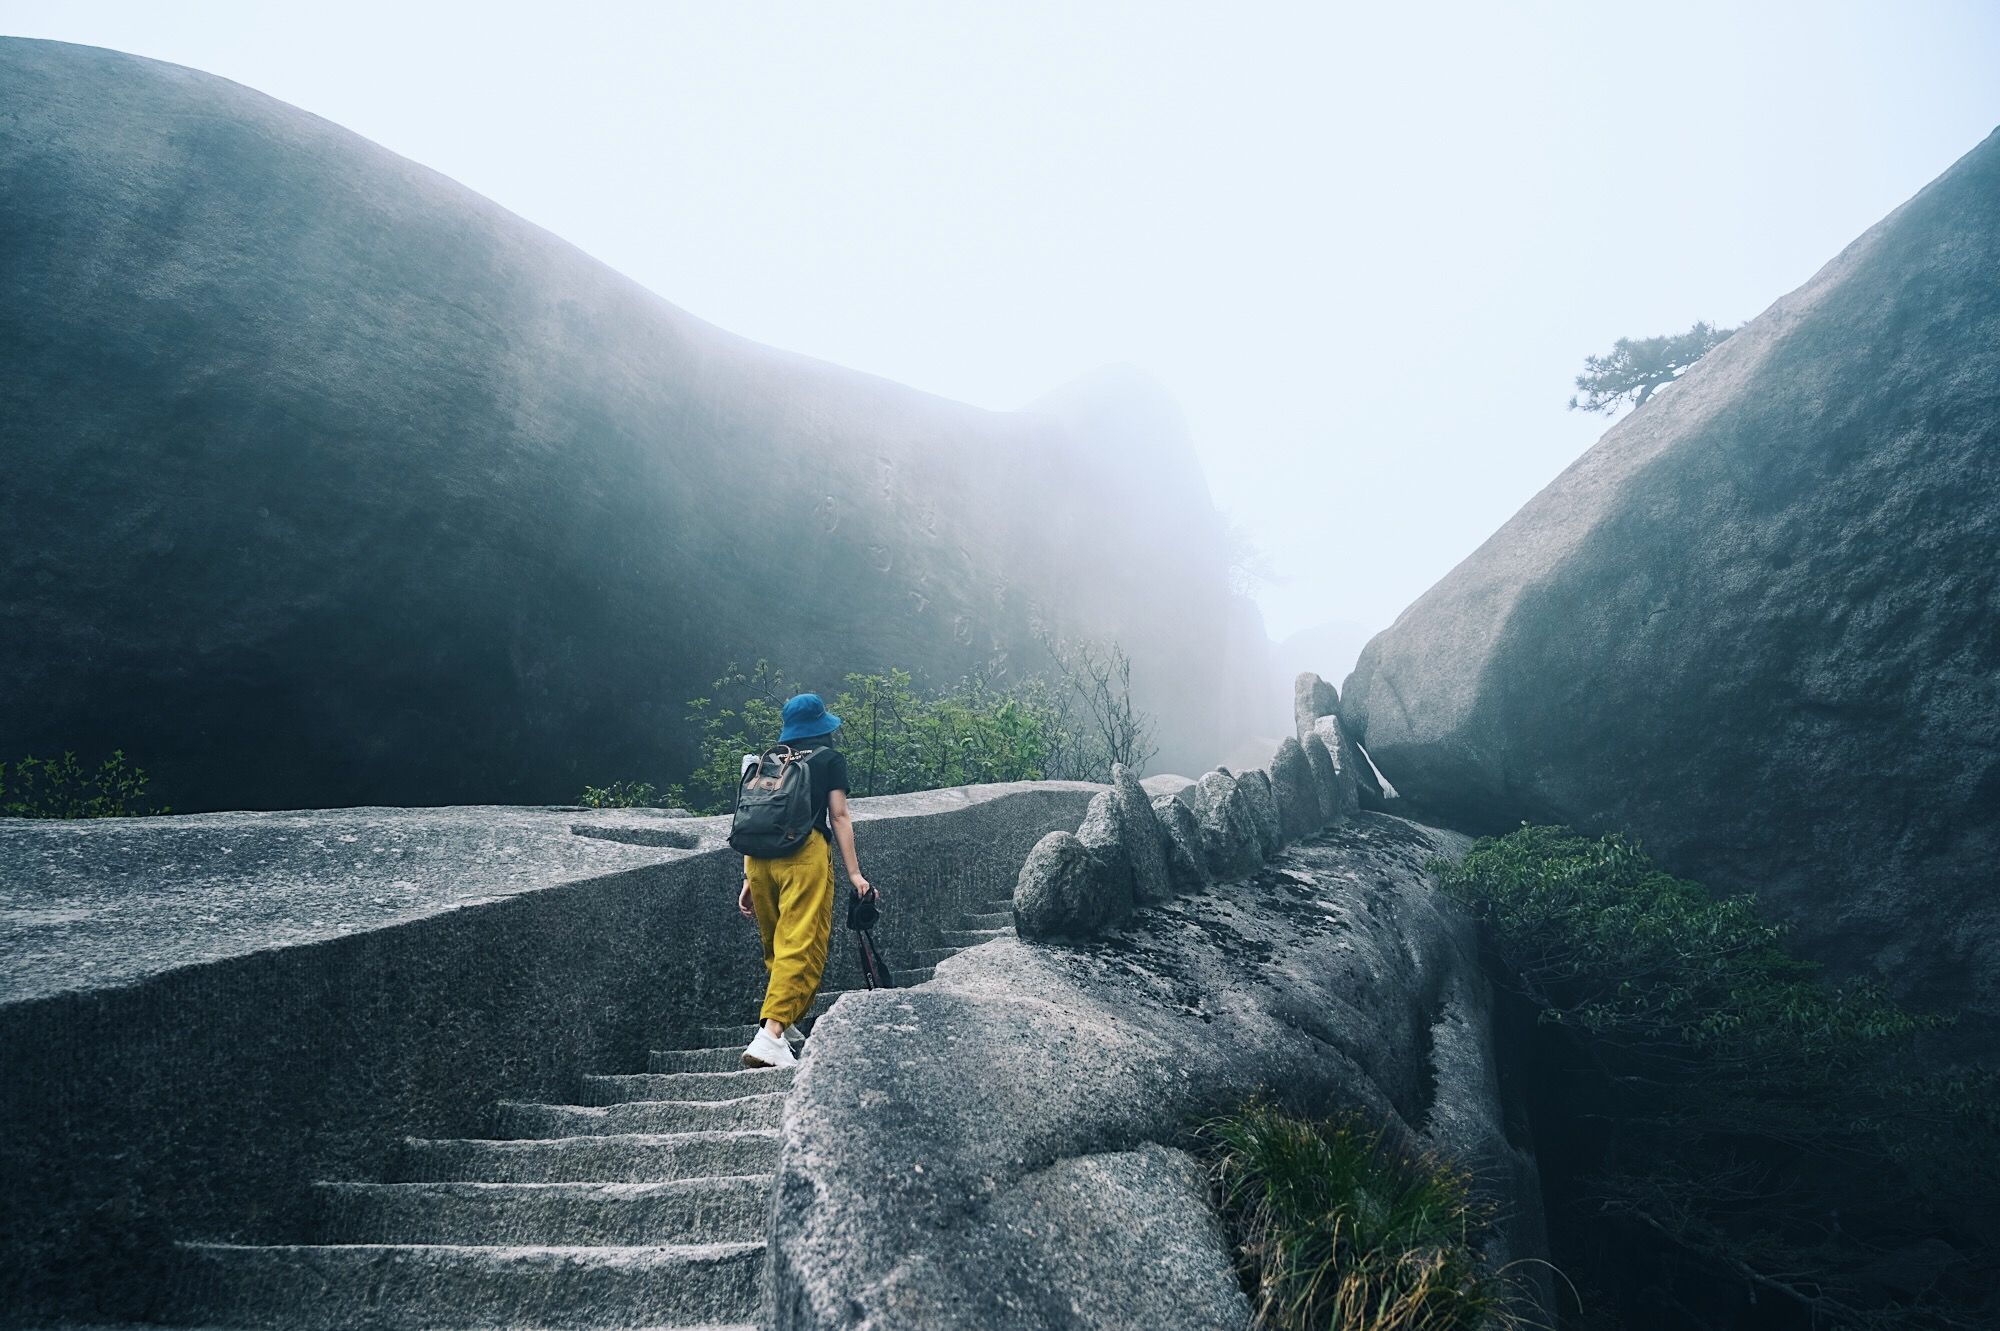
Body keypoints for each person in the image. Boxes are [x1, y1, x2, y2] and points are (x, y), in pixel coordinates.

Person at [736, 692, 874, 1068]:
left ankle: (786, 1022)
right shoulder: (829, 759)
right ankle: (770, 1036)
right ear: (821, 725)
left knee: (778, 943)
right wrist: (855, 874)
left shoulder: (771, 759)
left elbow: (755, 815)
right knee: (802, 940)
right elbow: (839, 816)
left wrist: (748, 877)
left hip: (760, 859)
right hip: (802, 854)